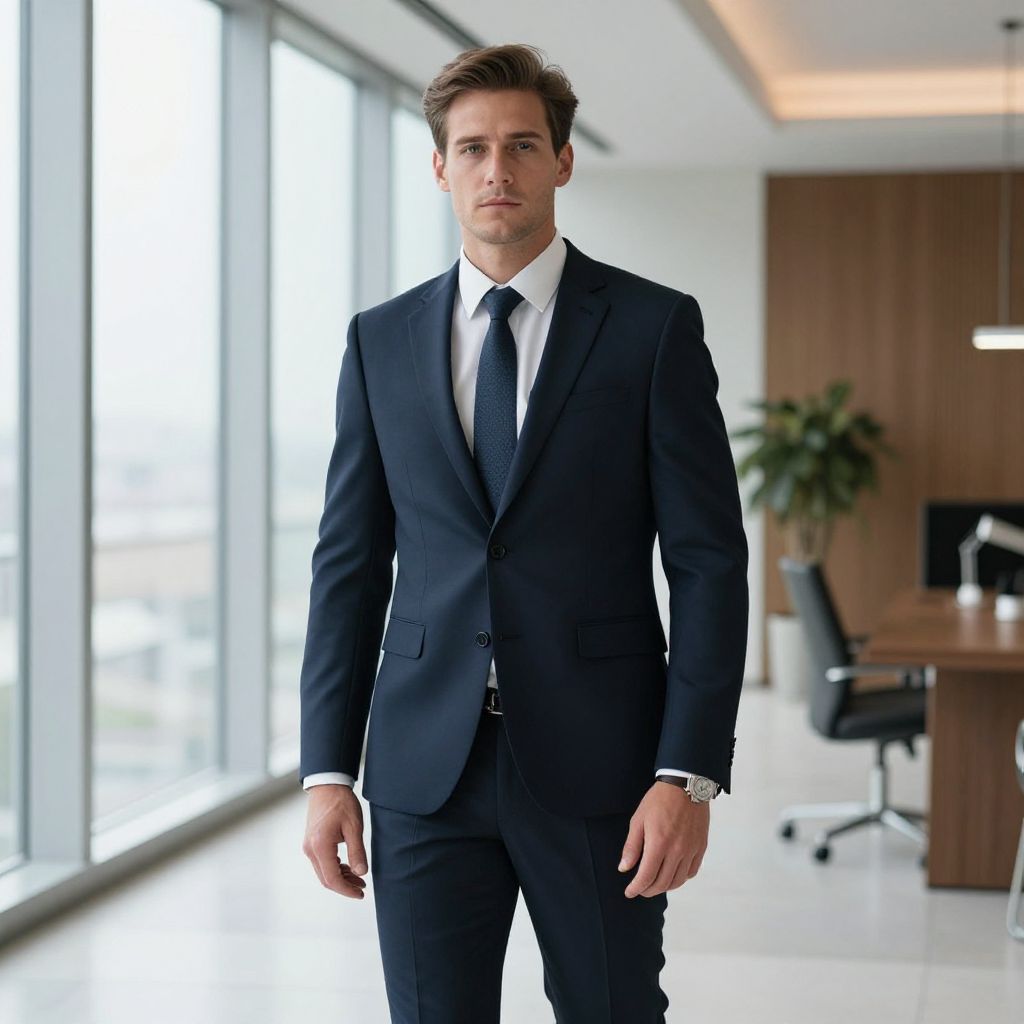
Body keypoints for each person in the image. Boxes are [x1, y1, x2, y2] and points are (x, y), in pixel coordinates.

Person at [298, 42, 748, 1024]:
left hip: (602, 765)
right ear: (440, 167)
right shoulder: (379, 341)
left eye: (519, 145)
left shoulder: (651, 328)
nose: (494, 169)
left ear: (561, 160)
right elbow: (348, 568)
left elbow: (709, 564)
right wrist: (328, 771)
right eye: (471, 149)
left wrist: (687, 772)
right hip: (424, 769)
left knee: (612, 1009)